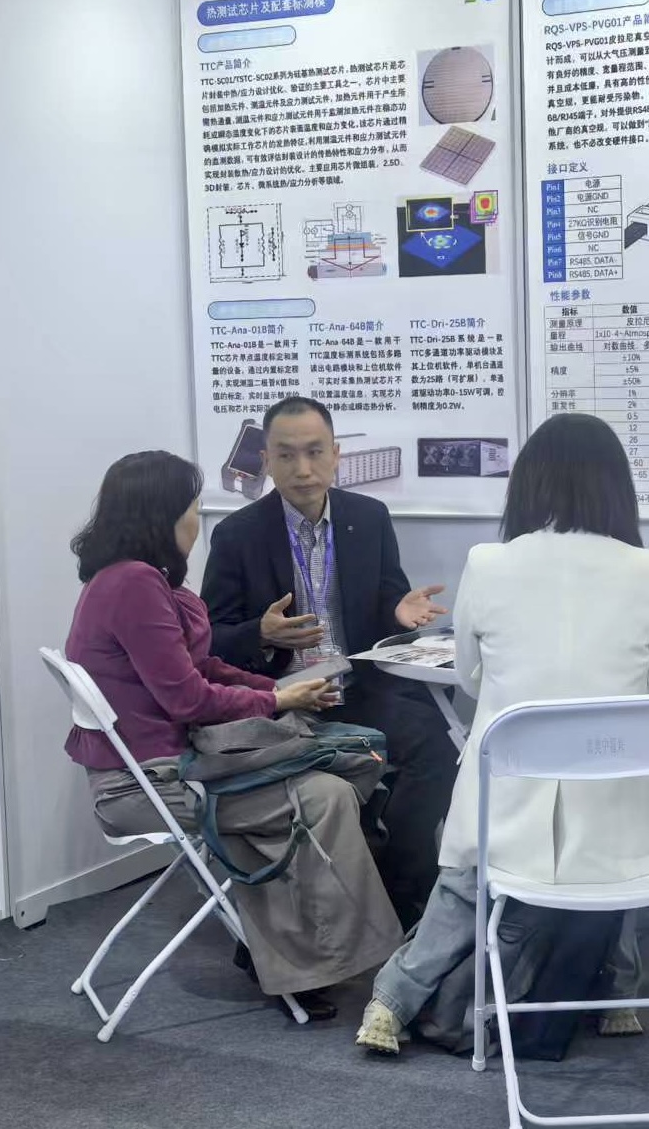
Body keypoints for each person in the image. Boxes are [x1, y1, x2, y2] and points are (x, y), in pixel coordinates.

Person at [355, 413, 649, 1055]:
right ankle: (618, 996)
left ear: (529, 482)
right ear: (615, 485)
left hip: (508, 793)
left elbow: (470, 675)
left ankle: (390, 1002)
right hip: (617, 803)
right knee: (620, 831)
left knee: (469, 876)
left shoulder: (488, 562)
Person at [63, 450, 405, 1020]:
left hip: (163, 767)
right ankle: (338, 961)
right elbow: (189, 699)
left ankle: (303, 958)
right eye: (192, 508)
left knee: (329, 778)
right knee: (328, 791)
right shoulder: (135, 586)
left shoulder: (128, 579)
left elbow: (201, 669)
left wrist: (281, 688)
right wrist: (276, 700)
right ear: (163, 515)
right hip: (148, 785)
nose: (196, 521)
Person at [201, 396, 457, 930]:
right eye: (286, 455)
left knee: (437, 747)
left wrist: (399, 611)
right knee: (321, 783)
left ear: (337, 454)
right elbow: (211, 641)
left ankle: (399, 891)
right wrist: (260, 633)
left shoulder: (369, 517)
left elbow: (387, 604)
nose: (303, 469)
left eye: (315, 452)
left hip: (359, 686)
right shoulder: (237, 535)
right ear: (266, 461)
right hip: (285, 698)